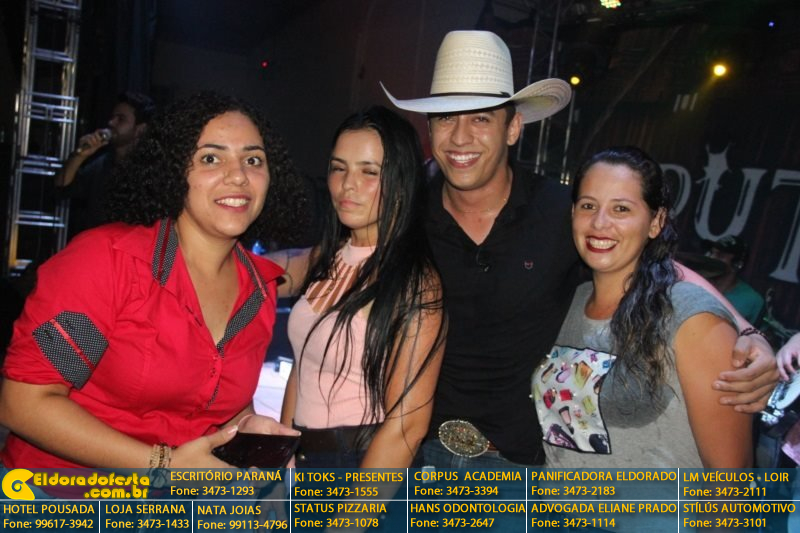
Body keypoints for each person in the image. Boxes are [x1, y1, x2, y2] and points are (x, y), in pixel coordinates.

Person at [380, 29, 777, 468]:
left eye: (480, 119)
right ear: (429, 127)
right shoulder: (404, 217)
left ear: (513, 128)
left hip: (523, 467)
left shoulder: (560, 211)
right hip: (422, 453)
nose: (460, 137)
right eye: (445, 119)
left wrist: (747, 331)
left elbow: (658, 265)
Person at [0, 92, 305, 470]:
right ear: (174, 171)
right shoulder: (109, 262)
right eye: (211, 158)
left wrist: (247, 428)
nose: (239, 175)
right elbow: (24, 402)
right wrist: (164, 465)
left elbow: (217, 405)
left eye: (253, 160)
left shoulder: (258, 290)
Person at [533, 146, 752, 468]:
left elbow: (731, 477)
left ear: (656, 221)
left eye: (621, 209)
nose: (599, 223)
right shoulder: (572, 299)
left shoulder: (692, 318)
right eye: (588, 206)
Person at [278, 106, 446, 468]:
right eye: (339, 168)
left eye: (369, 172)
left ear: (401, 181)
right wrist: (283, 462)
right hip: (306, 458)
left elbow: (407, 427)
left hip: (361, 462)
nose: (347, 185)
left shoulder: (416, 282)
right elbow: (303, 367)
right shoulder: (328, 257)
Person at [55, 91, 156, 236]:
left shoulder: (152, 170)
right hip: (99, 245)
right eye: (112, 117)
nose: (111, 123)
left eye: (121, 119)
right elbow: (61, 188)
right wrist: (79, 155)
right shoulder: (103, 163)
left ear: (140, 129)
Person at [707, 235, 765, 325]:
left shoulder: (752, 300)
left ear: (737, 264)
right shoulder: (696, 285)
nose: (711, 258)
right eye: (711, 253)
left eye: (720, 256)